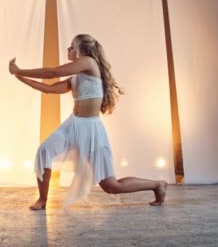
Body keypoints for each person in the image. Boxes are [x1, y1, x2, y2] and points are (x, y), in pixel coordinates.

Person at [9, 33, 167, 210]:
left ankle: (157, 184)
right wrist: (19, 77)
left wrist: (19, 70)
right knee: (44, 151)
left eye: (71, 46)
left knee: (111, 186)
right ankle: (42, 199)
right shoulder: (76, 75)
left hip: (91, 129)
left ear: (80, 50)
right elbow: (49, 89)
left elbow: (51, 72)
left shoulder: (88, 62)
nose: (68, 49)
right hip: (72, 125)